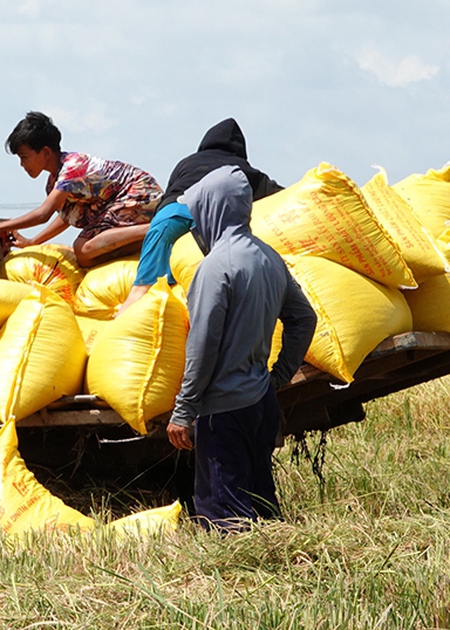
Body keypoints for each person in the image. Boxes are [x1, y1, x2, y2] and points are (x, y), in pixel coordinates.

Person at [165, 165, 316, 533]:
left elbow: (202, 346)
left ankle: (248, 583)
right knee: (261, 500)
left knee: (226, 516)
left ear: (212, 209)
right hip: (260, 403)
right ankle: (289, 573)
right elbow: (304, 319)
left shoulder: (215, 268)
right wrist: (277, 376)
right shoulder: (268, 257)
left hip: (223, 411)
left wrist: (184, 410)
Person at [117, 118, 284, 315]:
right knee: (197, 293)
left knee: (141, 290)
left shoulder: (186, 163)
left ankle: (111, 339)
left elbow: (168, 196)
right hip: (206, 224)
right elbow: (281, 197)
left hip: (168, 219)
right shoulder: (242, 170)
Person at [0, 112, 162, 268]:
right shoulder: (53, 183)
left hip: (138, 193)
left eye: (24, 157)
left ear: (46, 152)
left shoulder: (73, 167)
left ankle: (157, 228)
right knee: (86, 257)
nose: (22, 164)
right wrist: (33, 242)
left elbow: (43, 214)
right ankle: (143, 242)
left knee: (83, 249)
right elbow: (66, 217)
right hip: (118, 203)